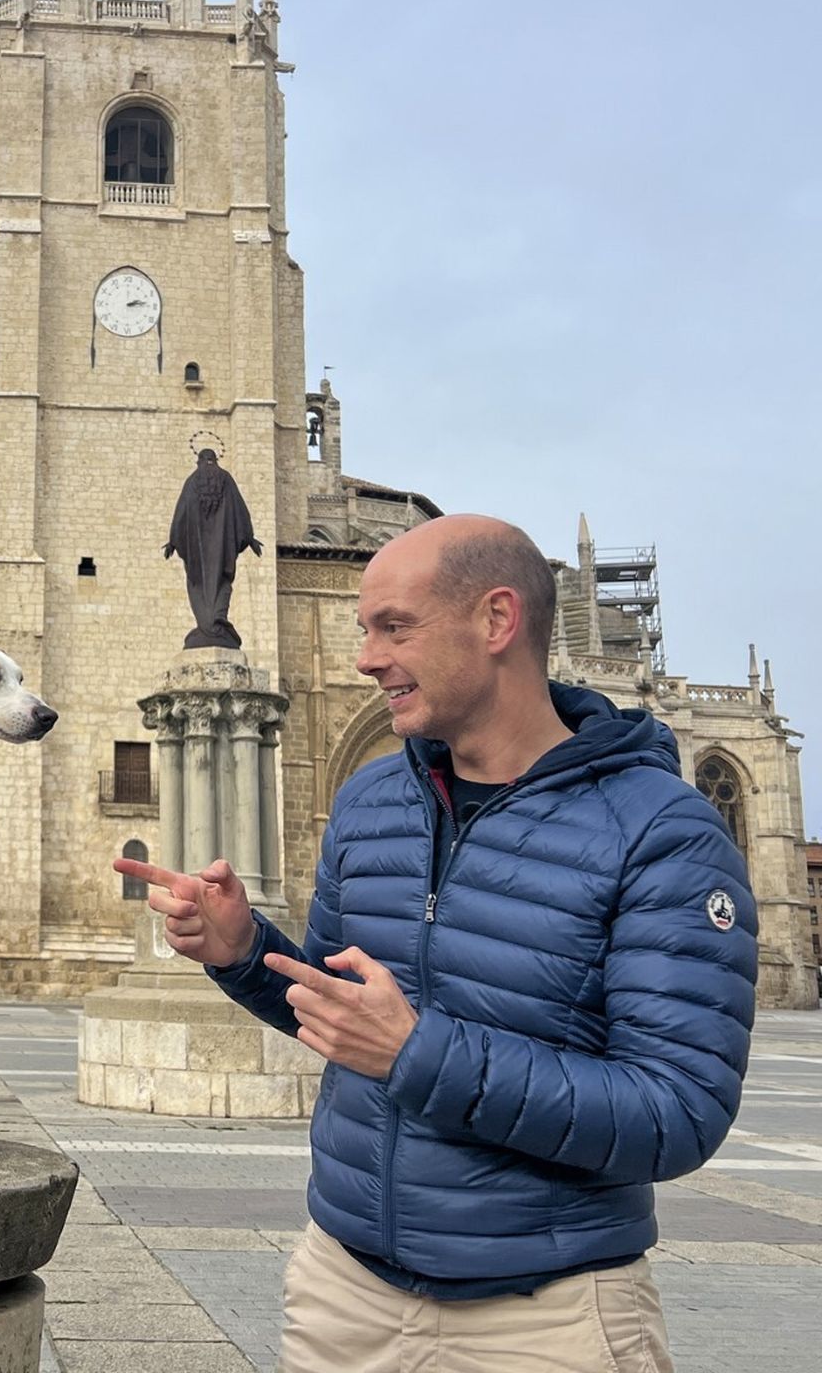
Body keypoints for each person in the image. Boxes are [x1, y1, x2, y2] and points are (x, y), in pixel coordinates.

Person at [117, 515, 756, 1373]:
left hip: (547, 1319)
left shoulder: (659, 830)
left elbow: (676, 1113)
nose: (366, 659)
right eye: (363, 630)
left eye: (394, 627)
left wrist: (419, 1053)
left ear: (497, 621)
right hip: (346, 1295)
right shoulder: (371, 802)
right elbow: (345, 1015)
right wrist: (243, 952)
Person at [164, 448, 263, 649]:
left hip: (197, 552)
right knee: (223, 581)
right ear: (215, 460)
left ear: (200, 461)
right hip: (223, 549)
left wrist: (173, 541)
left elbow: (181, 513)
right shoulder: (226, 479)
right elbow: (240, 510)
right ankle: (217, 620)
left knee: (197, 584)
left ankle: (207, 626)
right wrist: (249, 537)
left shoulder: (192, 482)